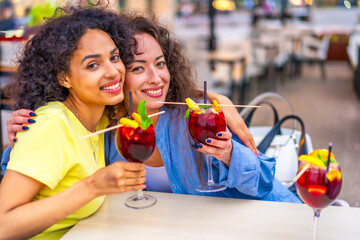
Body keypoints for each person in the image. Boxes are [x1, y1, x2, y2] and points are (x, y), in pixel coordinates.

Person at [2, 13, 300, 203]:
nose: (157, 77)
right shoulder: (103, 126)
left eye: (160, 64)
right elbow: (39, 174)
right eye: (139, 67)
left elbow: (263, 182)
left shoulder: (196, 118)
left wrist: (229, 154)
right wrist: (22, 139)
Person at [0, 6, 146, 239]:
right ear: (64, 78)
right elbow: (3, 226)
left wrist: (212, 99)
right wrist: (93, 186)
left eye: (114, 57)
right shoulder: (52, 125)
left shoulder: (99, 116)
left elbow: (156, 94)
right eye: (92, 65)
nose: (113, 72)